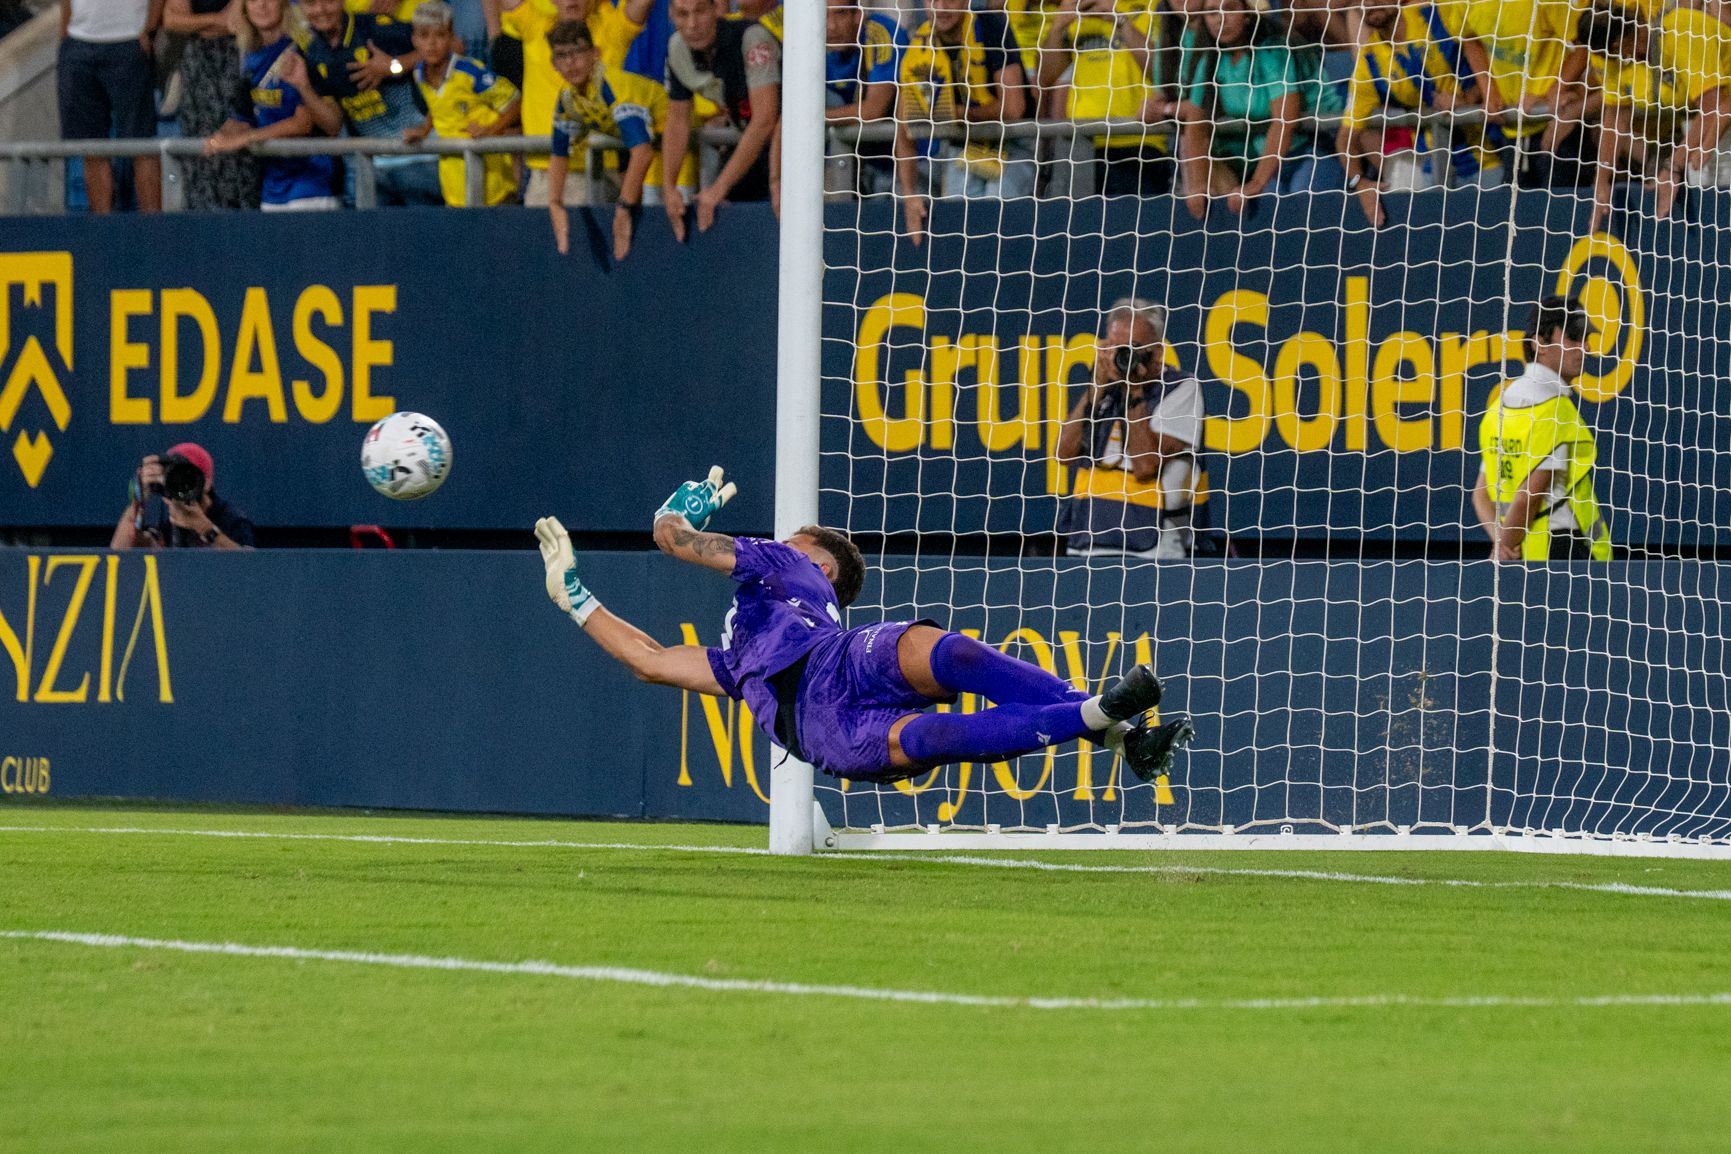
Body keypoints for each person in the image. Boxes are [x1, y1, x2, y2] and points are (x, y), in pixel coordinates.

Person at [534, 469, 1194, 785]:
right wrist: (575, 597)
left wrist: (679, 509)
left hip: (837, 661)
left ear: (817, 562)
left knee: (941, 650)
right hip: (817, 726)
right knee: (937, 737)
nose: (777, 541)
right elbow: (650, 660)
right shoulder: (737, 662)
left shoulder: (784, 565)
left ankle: (1106, 722)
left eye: (792, 539)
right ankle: (1115, 730)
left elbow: (671, 539)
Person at [1056, 297, 1203, 559]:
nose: (1121, 356)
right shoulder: (1105, 390)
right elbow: (1063, 453)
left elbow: (1145, 466)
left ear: (1157, 351)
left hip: (1151, 549)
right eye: (1114, 346)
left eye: (1132, 348)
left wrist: (1133, 390)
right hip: (1087, 543)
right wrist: (1096, 388)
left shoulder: (1181, 388)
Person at [1336, 0, 1499, 229]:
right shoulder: (1369, 61)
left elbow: (1493, 57)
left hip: (1491, 157)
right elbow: (1345, 139)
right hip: (1433, 173)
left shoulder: (1436, 16)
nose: (1371, 2)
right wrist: (1360, 183)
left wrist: (1467, 99)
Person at [1471, 296, 1610, 562]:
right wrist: (1503, 548)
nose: (1586, 347)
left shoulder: (1500, 405)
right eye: (1573, 337)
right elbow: (1529, 496)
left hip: (1522, 553)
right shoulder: (1554, 410)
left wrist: (1501, 543)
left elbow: (1480, 495)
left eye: (1585, 338)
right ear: (1540, 343)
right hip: (1561, 551)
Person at [893, 0, 1032, 245]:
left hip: (1015, 142)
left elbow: (1014, 108)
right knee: (959, 218)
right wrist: (910, 196)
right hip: (963, 147)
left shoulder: (991, 26)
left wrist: (958, 114)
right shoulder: (919, 47)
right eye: (934, 0)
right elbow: (904, 128)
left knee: (996, 204)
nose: (942, 7)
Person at [1174, 0, 1326, 218]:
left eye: (1229, 9)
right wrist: (1197, 185)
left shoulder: (1273, 51)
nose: (1220, 19)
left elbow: (1285, 120)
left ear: (1247, 14)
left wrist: (1256, 183)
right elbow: (1196, 126)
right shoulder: (1209, 62)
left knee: (1296, 205)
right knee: (1261, 208)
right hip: (1271, 163)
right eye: (1212, 13)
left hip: (1311, 149)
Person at [296, 0, 443, 205]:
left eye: (328, 1)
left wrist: (394, 66)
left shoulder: (376, 28)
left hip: (420, 159)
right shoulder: (312, 51)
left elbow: (452, 47)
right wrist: (303, 86)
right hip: (372, 169)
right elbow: (333, 125)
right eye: (311, 3)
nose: (320, 10)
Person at [545, 19, 668, 257]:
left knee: (663, 214)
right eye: (561, 55)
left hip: (681, 139)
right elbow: (559, 154)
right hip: (655, 148)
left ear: (595, 53)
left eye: (577, 52)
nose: (570, 62)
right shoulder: (567, 99)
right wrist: (554, 203)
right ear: (553, 64)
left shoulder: (613, 86)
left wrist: (623, 208)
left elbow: (643, 153)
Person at [661, 0, 781, 237]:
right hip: (751, 141)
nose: (692, 24)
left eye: (699, 11)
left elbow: (766, 118)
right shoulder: (677, 48)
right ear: (671, 17)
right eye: (683, 14)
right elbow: (677, 121)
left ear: (716, 9)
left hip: (799, 142)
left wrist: (719, 187)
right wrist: (669, 187)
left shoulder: (752, 38)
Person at [205, 0, 340, 211]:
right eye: (253, 0)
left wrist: (246, 138)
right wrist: (220, 137)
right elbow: (242, 117)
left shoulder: (304, 50)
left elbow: (302, 123)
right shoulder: (249, 57)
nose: (261, 5)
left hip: (311, 183)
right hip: (272, 186)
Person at [1039, 0, 1171, 196]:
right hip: (1081, 142)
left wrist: (1120, 20)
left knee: (1132, 216)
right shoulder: (1078, 9)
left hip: (1137, 139)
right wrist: (1057, 28)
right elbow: (1046, 77)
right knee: (1079, 216)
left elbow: (1164, 73)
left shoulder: (1153, 6)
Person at [1455, 0, 1591, 188]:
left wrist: (1552, 92)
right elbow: (1469, 39)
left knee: (1559, 204)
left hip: (1557, 126)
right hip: (1512, 128)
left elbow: (1586, 45)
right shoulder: (1469, 4)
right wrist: (1489, 91)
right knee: (1514, 204)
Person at [404, 0, 521, 205]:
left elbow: (515, 102)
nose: (431, 43)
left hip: (494, 186)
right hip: (454, 187)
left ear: (451, 37)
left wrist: (490, 130)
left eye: (440, 35)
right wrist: (424, 128)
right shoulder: (419, 74)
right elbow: (438, 106)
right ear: (414, 40)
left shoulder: (470, 73)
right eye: (424, 35)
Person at [57, 0, 164, 214]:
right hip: (78, 42)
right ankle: (101, 227)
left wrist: (149, 29)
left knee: (142, 145)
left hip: (129, 39)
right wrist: (66, 34)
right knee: (92, 147)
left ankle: (154, 227)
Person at [165, 0, 264, 210]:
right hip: (197, 71)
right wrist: (216, 20)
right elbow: (172, 20)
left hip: (241, 58)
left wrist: (197, 24)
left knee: (238, 145)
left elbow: (236, 22)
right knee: (202, 151)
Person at [823, 0, 905, 195]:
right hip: (865, 164)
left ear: (858, 16)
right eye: (824, 15)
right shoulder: (814, 44)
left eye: (840, 14)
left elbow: (873, 110)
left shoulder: (882, 34)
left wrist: (814, 117)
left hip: (912, 161)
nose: (831, 26)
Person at [111, 444, 255, 550]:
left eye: (188, 478)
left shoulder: (232, 519)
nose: (181, 484)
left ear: (207, 483)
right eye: (174, 477)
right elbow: (120, 553)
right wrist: (137, 501)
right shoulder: (163, 510)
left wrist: (205, 529)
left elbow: (249, 568)